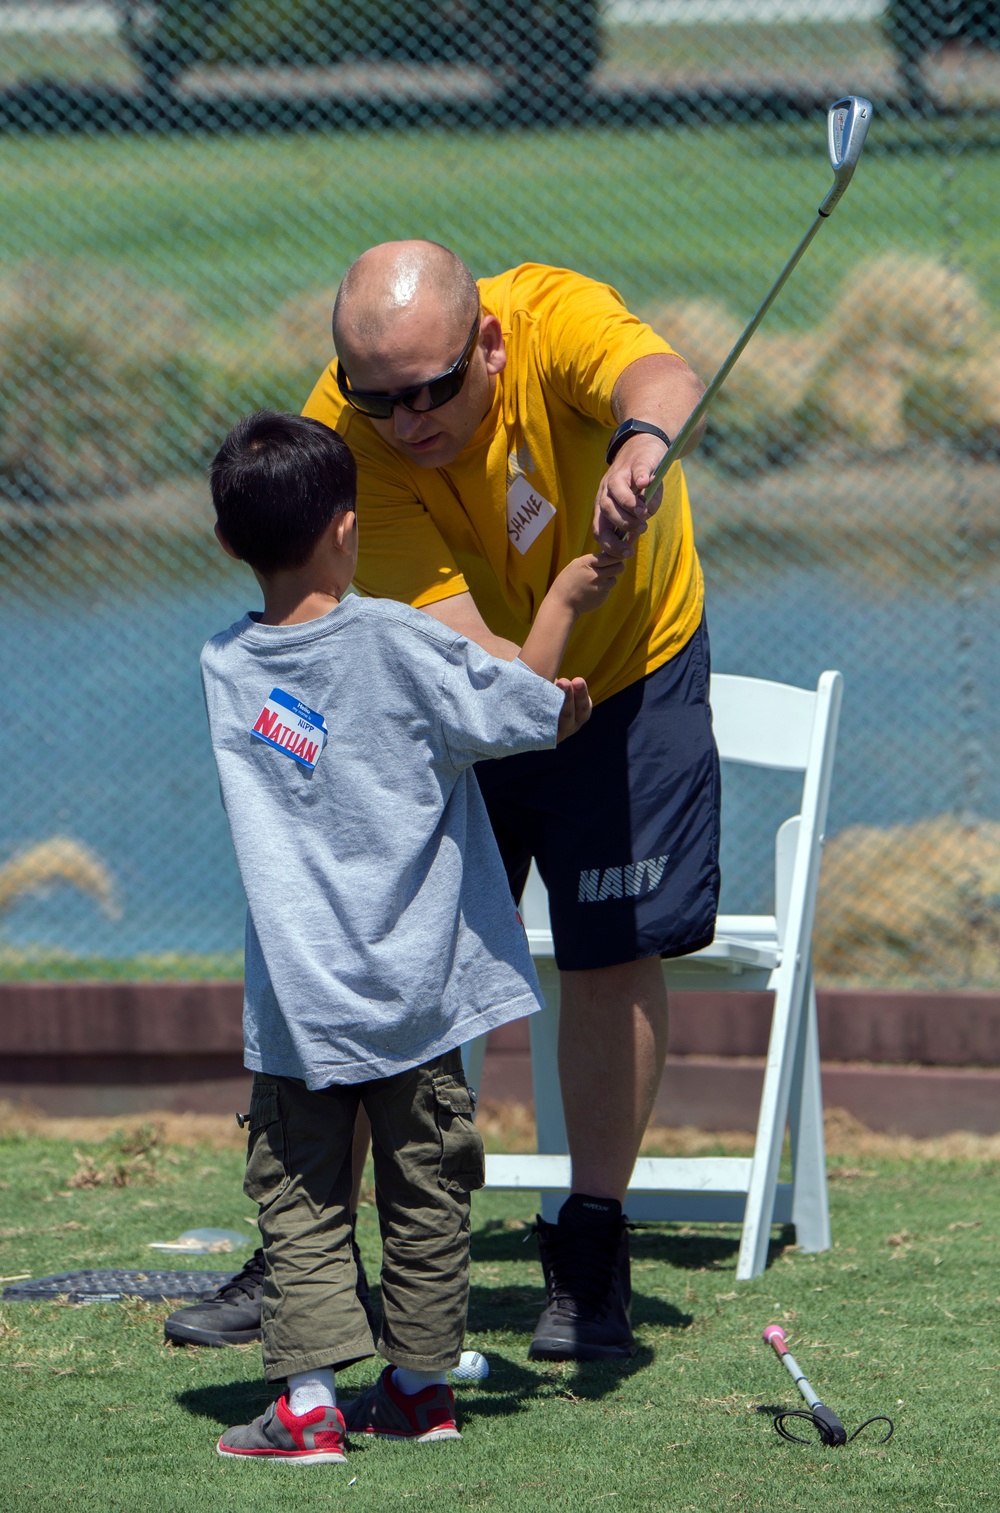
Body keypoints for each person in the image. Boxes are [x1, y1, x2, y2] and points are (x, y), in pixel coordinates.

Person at [300, 242, 721, 1364]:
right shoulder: (348, 447)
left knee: (608, 947)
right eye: (376, 397)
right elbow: (495, 683)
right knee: (393, 950)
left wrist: (638, 443)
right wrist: (573, 586)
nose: (407, 418)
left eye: (433, 388)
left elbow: (665, 380)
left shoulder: (552, 317)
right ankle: (313, 1254)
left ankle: (590, 1245)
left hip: (636, 669)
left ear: (486, 340)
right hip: (486, 684)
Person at [200, 409, 621, 1462]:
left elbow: (313, 730)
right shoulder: (396, 638)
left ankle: (305, 1405)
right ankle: (420, 1388)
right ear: (350, 530)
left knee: (299, 1199)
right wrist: (565, 601)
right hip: (425, 994)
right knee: (427, 1190)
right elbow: (526, 710)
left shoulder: (225, 669)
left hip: (299, 1004)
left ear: (228, 543)